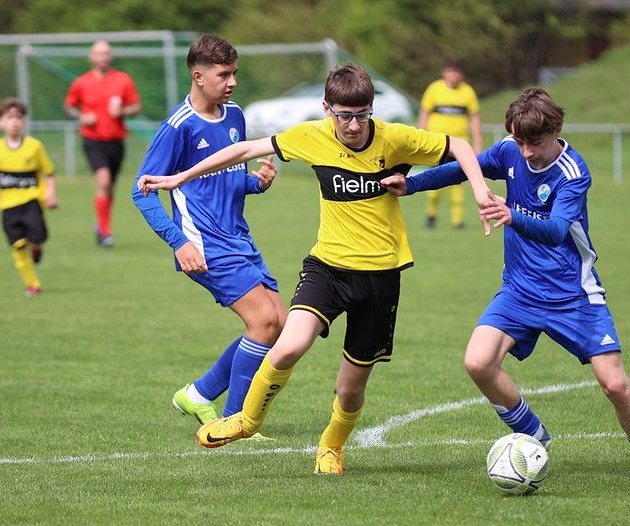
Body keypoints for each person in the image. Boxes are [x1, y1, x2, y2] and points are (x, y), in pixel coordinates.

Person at [138, 63, 495, 475]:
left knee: (350, 387)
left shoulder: (395, 138)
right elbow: (243, 150)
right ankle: (246, 420)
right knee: (288, 344)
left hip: (381, 276)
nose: (354, 125)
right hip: (327, 267)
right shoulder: (312, 135)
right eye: (344, 115)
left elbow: (461, 147)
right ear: (328, 109)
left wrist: (481, 191)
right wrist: (179, 175)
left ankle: (331, 446)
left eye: (362, 115)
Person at [380, 87, 630, 484]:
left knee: (614, 384)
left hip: (573, 295)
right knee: (478, 362)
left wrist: (510, 213)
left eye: (534, 143)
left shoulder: (573, 172)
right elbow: (463, 166)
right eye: (519, 141)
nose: (525, 152)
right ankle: (534, 433)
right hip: (520, 291)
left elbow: (557, 230)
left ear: (556, 129)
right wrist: (414, 184)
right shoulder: (509, 150)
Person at [132, 34, 285, 430]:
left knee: (280, 324)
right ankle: (234, 423)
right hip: (203, 242)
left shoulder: (234, 115)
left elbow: (225, 179)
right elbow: (142, 189)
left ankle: (198, 394)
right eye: (223, 74)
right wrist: (178, 242)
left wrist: (257, 183)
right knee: (264, 323)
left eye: (235, 72)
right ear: (198, 76)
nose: (232, 81)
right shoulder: (177, 127)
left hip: (239, 237)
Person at [65, 39, 141, 247]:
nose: (102, 57)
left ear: (111, 56)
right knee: (104, 181)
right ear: (91, 57)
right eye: (98, 53)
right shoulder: (81, 82)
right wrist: (81, 116)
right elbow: (69, 106)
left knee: (109, 187)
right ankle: (106, 231)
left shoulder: (123, 80)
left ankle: (100, 224)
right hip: (92, 139)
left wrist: (122, 112)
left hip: (116, 140)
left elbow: (136, 107)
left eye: (106, 53)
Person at [0, 97, 59, 297]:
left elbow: (48, 172)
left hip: (32, 202)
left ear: (23, 121)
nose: (14, 122)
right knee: (17, 247)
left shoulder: (34, 146)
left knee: (36, 239)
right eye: (9, 117)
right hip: (8, 207)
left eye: (18, 117)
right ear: (1, 122)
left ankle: (36, 249)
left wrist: (50, 193)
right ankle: (32, 283)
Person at [418, 57, 482, 229]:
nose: (453, 75)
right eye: (450, 70)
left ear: (462, 74)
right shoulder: (434, 89)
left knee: (457, 183)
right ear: (444, 72)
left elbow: (474, 119)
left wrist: (477, 144)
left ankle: (457, 220)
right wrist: (420, 138)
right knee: (433, 180)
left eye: (457, 71)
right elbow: (424, 114)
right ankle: (431, 215)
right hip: (436, 144)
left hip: (459, 146)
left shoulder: (468, 92)